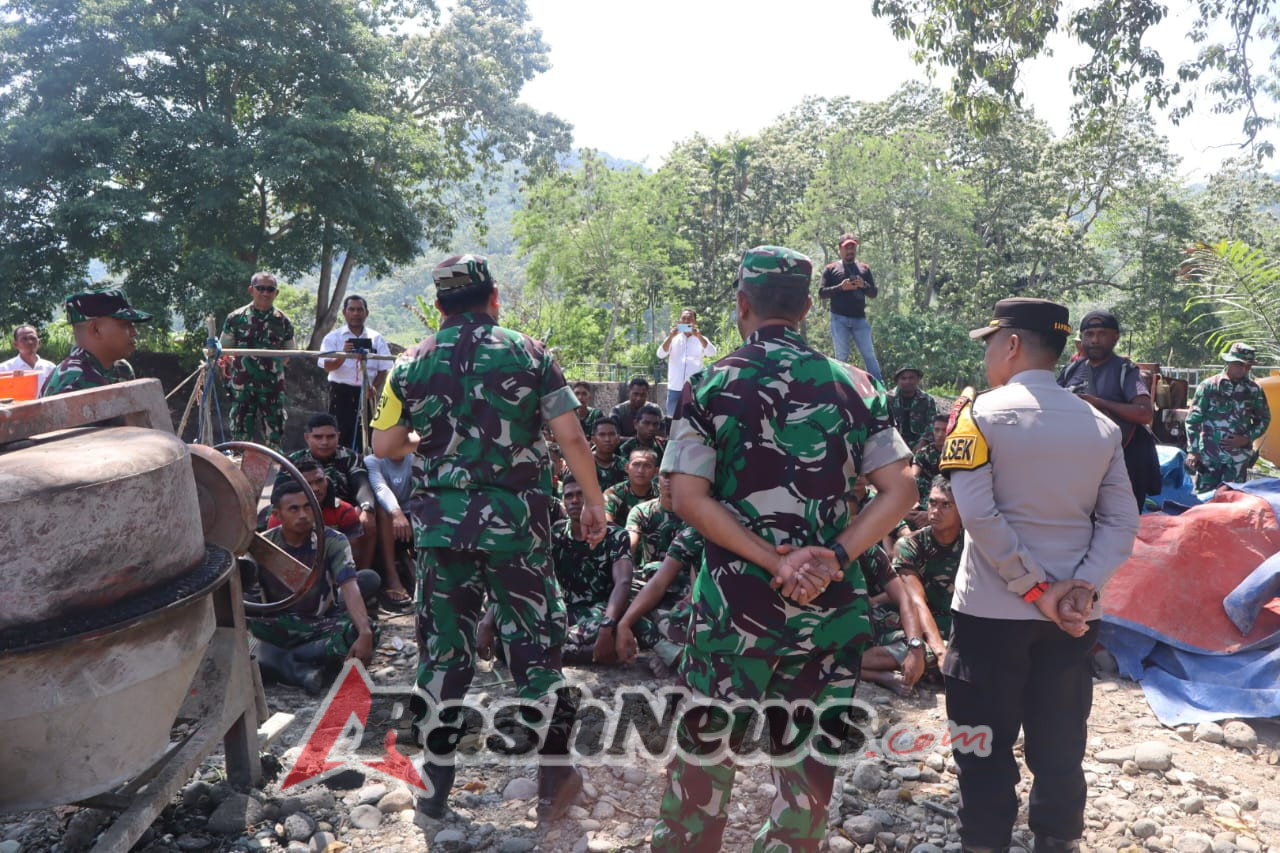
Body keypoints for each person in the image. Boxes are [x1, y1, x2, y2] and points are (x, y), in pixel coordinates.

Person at [652, 245, 916, 852]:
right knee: (808, 767)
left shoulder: (709, 384)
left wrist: (773, 561)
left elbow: (687, 499)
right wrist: (834, 557)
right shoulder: (856, 384)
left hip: (731, 613)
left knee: (704, 758)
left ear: (742, 304)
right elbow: (900, 490)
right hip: (827, 611)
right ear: (805, 309)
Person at [370, 253, 607, 823]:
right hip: (517, 529)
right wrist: (595, 500)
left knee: (444, 652)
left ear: (440, 304)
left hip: (442, 529)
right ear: (493, 296)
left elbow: (384, 445)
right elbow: (571, 436)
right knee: (534, 649)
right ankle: (555, 782)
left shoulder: (409, 363)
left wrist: (422, 442)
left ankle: (435, 784)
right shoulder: (529, 352)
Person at [940, 297, 1140, 852]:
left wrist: (1034, 587)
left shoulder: (977, 415)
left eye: (989, 344)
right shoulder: (1100, 425)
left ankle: (984, 842)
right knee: (1059, 743)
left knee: (982, 745)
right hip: (1075, 618)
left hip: (991, 612)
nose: (986, 357)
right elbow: (1124, 519)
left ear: (1009, 344)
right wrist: (1081, 586)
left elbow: (978, 514)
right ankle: (1057, 840)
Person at [248, 480, 378, 694]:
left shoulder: (333, 541)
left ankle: (282, 662)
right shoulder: (262, 545)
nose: (303, 514)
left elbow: (349, 585)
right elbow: (245, 600)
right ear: (277, 514)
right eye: (294, 509)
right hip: (276, 626)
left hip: (317, 624)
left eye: (308, 506)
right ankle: (293, 666)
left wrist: (364, 632)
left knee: (367, 630)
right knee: (236, 638)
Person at [861, 476, 964, 695]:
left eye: (946, 505)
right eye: (933, 503)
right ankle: (852, 666)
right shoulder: (911, 545)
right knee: (923, 653)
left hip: (954, 623)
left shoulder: (973, 545)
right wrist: (939, 652)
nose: (935, 511)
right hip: (916, 622)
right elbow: (916, 601)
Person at [1056, 309, 1161, 510]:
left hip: (1123, 463)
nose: (1095, 340)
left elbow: (1145, 413)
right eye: (1089, 334)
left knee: (1119, 522)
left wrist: (1100, 403)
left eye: (1102, 334)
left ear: (1116, 337)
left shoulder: (1126, 371)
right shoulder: (1071, 370)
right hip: (1080, 463)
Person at [552, 473, 655, 664]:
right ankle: (585, 652)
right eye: (569, 496)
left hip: (605, 611)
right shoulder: (555, 533)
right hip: (567, 611)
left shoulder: (615, 535)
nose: (575, 501)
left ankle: (559, 651)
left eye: (581, 494)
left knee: (644, 629)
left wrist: (607, 627)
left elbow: (623, 582)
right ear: (563, 501)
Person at [285, 413, 378, 570]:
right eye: (318, 437)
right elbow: (280, 495)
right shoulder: (292, 461)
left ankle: (361, 574)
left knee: (367, 515)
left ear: (338, 436)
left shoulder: (350, 457)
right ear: (307, 437)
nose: (325, 442)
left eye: (330, 436)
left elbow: (362, 483)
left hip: (343, 514)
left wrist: (367, 508)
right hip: (304, 511)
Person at [219, 272, 296, 448]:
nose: (265, 293)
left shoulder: (283, 321)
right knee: (240, 435)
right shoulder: (235, 318)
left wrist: (269, 369)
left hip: (272, 388)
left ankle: (273, 472)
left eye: (270, 289)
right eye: (261, 288)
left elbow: (289, 354)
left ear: (276, 293)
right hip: (242, 387)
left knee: (275, 434)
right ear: (251, 290)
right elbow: (224, 351)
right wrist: (242, 367)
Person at [1185, 342, 1272, 492]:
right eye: (1239, 364)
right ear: (1229, 362)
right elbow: (1193, 420)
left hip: (1237, 462)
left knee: (1233, 504)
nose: (1244, 369)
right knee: (1205, 503)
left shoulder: (1254, 390)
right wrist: (1193, 450)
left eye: (1248, 366)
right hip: (1209, 459)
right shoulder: (1209, 387)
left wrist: (1246, 438)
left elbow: (1263, 419)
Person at [42, 289, 152, 398]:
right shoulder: (74, 382)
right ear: (96, 329)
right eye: (125, 325)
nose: (135, 332)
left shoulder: (121, 369)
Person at [319, 295, 392, 452]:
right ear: (344, 313)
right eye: (351, 309)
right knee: (340, 434)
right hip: (341, 393)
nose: (356, 313)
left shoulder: (376, 338)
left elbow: (384, 368)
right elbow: (327, 366)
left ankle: (364, 469)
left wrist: (374, 387)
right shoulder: (333, 338)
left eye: (360, 309)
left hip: (367, 394)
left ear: (367, 313)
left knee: (367, 435)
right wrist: (344, 355)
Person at [818, 233, 881, 381]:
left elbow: (874, 293)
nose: (850, 250)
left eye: (853, 247)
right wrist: (840, 287)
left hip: (860, 319)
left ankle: (881, 387)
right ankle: (841, 387)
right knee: (841, 357)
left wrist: (863, 285)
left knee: (869, 355)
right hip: (839, 319)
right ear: (840, 249)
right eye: (847, 247)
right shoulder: (831, 268)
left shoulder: (864, 268)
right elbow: (821, 293)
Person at [364, 448, 417, 611]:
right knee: (382, 511)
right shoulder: (372, 461)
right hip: (390, 518)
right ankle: (392, 576)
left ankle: (421, 568)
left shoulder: (415, 458)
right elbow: (380, 489)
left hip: (413, 513)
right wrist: (397, 512)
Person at [657, 308, 717, 417]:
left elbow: (712, 353)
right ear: (679, 321)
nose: (686, 321)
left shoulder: (700, 339)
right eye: (683, 319)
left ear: (695, 322)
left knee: (694, 421)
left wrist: (699, 336)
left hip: (694, 389)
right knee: (671, 420)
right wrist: (670, 337)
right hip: (675, 388)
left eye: (689, 319)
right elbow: (660, 354)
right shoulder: (673, 339)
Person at [887, 366, 939, 450]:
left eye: (911, 378)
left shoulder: (927, 399)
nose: (907, 381)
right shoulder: (888, 398)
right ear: (898, 381)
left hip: (921, 444)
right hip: (893, 444)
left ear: (918, 379)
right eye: (903, 378)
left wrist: (923, 442)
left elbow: (932, 423)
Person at [603, 447, 658, 523]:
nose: (640, 470)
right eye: (636, 464)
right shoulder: (613, 493)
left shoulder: (662, 494)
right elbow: (606, 522)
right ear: (627, 468)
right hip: (621, 533)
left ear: (656, 472)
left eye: (647, 466)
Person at [1, 324, 56, 392]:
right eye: (24, 339)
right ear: (15, 344)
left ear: (39, 342)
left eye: (33, 338)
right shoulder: (4, 370)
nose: (30, 342)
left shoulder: (50, 368)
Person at [616, 403, 666, 468]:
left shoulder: (663, 446)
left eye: (655, 424)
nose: (651, 428)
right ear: (636, 424)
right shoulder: (626, 449)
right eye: (646, 423)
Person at [589, 416, 627, 488]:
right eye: (602, 435)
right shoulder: (583, 464)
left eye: (612, 434)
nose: (607, 439)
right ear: (593, 439)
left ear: (618, 438)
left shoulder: (625, 465)